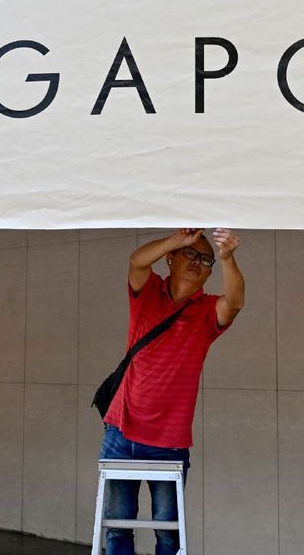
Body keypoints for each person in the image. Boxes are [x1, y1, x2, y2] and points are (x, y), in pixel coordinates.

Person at [100, 227, 244, 555]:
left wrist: (227, 258)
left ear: (209, 272)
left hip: (170, 440)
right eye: (189, 253)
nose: (196, 262)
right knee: (117, 527)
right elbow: (137, 261)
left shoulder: (207, 311)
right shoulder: (148, 293)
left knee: (168, 533)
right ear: (170, 259)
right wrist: (177, 238)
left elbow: (235, 302)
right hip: (121, 430)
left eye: (205, 259)